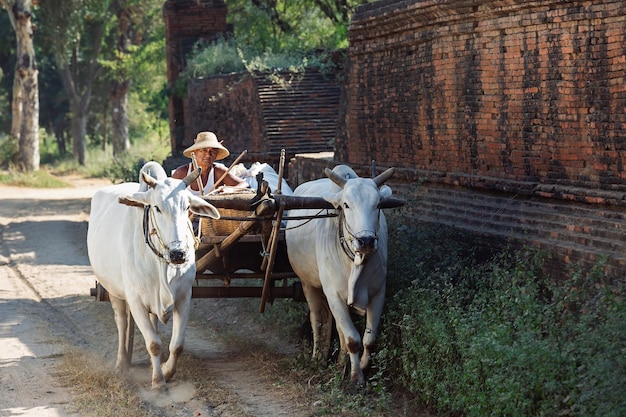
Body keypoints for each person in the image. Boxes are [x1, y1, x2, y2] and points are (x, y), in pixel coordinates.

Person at [172, 131, 249, 195]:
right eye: (204, 150)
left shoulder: (218, 172)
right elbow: (168, 194)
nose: (208, 155)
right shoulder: (182, 173)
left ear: (216, 154)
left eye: (213, 151)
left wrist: (231, 190)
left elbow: (244, 184)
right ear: (195, 152)